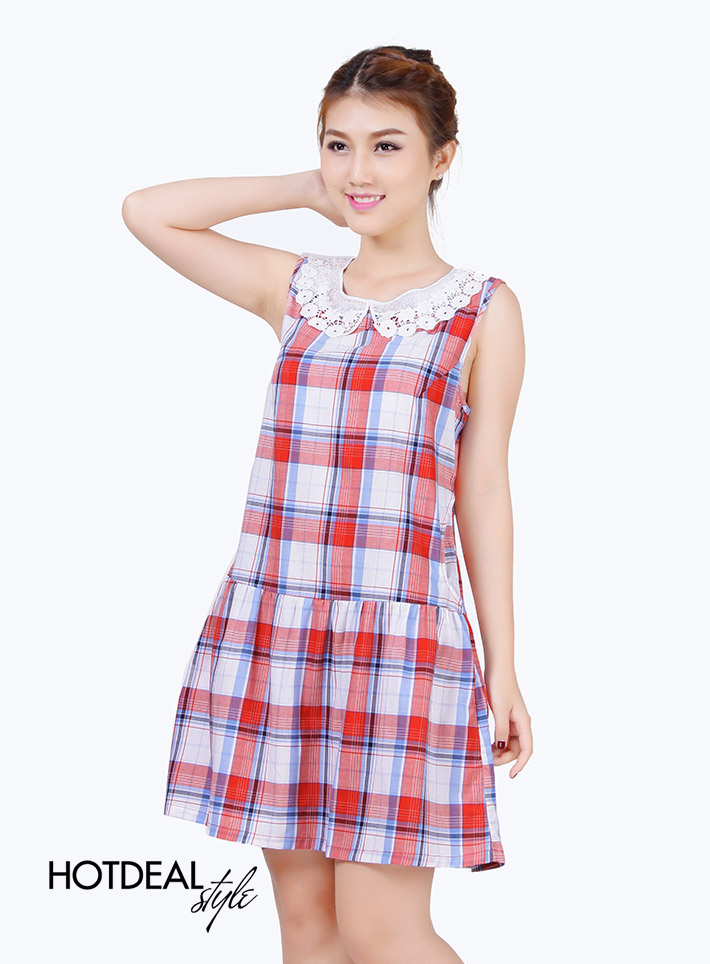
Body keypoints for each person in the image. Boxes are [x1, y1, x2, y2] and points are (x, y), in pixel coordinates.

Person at [123, 44, 532, 964]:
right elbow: (147, 210)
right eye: (338, 145)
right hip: (278, 633)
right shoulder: (297, 289)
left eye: (387, 146)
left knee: (385, 934)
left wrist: (502, 666)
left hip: (400, 643)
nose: (359, 170)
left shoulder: (480, 310)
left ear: (442, 157)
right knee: (310, 933)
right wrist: (306, 189)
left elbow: (484, 489)